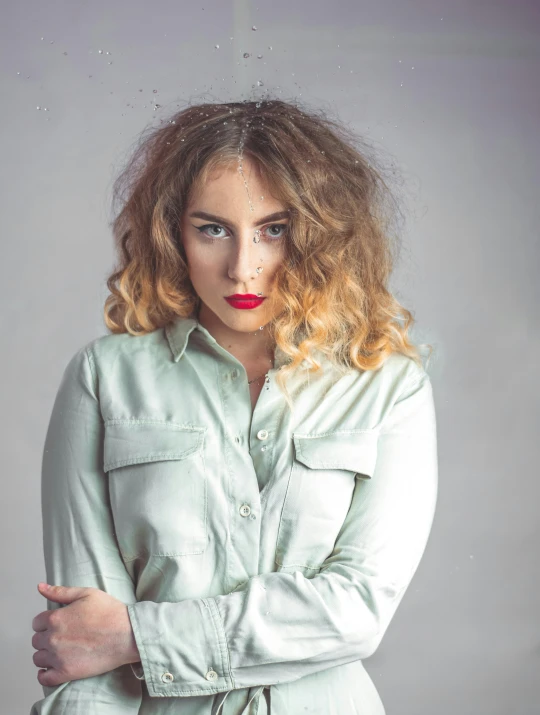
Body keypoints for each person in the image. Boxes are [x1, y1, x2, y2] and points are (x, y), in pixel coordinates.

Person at [29, 98, 439, 715]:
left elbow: (357, 612)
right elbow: (84, 645)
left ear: (320, 236)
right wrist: (106, 640)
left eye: (274, 230)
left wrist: (134, 636)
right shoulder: (104, 378)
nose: (243, 268)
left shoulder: (388, 387)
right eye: (212, 229)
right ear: (174, 234)